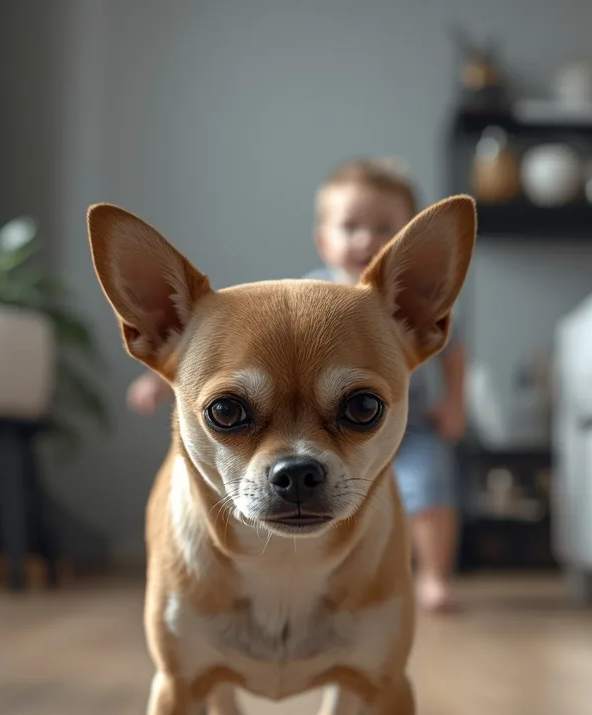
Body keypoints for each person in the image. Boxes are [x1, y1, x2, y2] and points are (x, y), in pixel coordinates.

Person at [125, 157, 467, 612]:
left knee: (431, 481)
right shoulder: (300, 297)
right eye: (229, 412)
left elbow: (456, 356)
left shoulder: (396, 306)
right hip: (364, 436)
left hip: (417, 424)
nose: (366, 239)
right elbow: (227, 357)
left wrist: (455, 401)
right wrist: (165, 376)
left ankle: (434, 574)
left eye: (359, 407)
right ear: (323, 240)